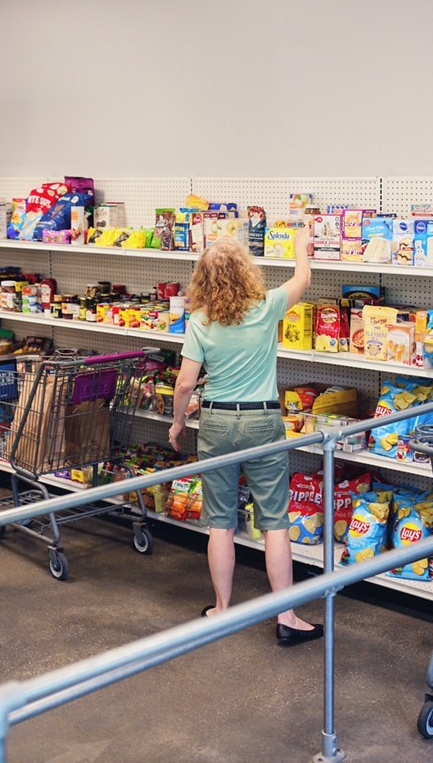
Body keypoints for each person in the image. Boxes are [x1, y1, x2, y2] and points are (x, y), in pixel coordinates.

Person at [169, 225, 323, 646]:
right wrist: (299, 247)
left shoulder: (199, 321)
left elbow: (184, 385)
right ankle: (286, 617)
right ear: (246, 272)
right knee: (274, 521)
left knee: (220, 522)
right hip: (262, 422)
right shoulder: (267, 306)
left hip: (217, 422)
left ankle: (221, 609)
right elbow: (303, 279)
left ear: (203, 279)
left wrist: (179, 421)